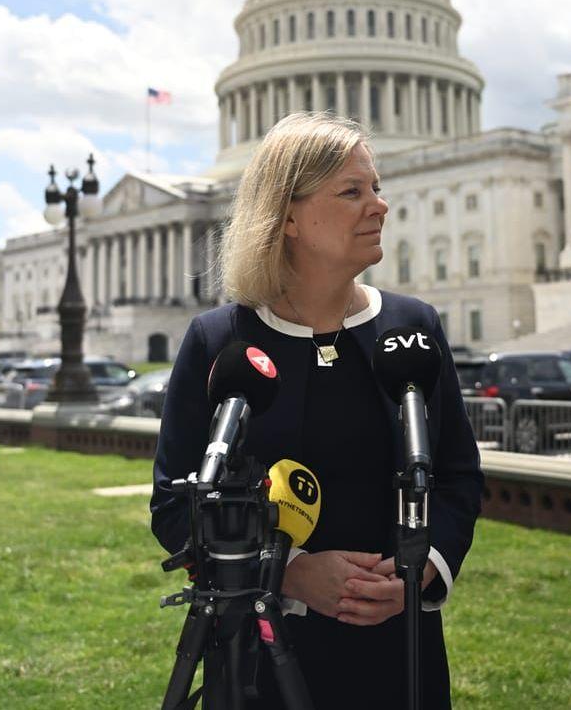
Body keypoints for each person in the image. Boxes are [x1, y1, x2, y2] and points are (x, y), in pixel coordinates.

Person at [151, 112, 483, 709]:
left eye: (377, 187)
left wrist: (422, 570)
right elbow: (177, 505)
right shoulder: (218, 341)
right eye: (352, 192)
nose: (379, 206)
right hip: (260, 653)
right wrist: (293, 572)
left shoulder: (413, 328)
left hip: (398, 650)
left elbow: (458, 476)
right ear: (288, 218)